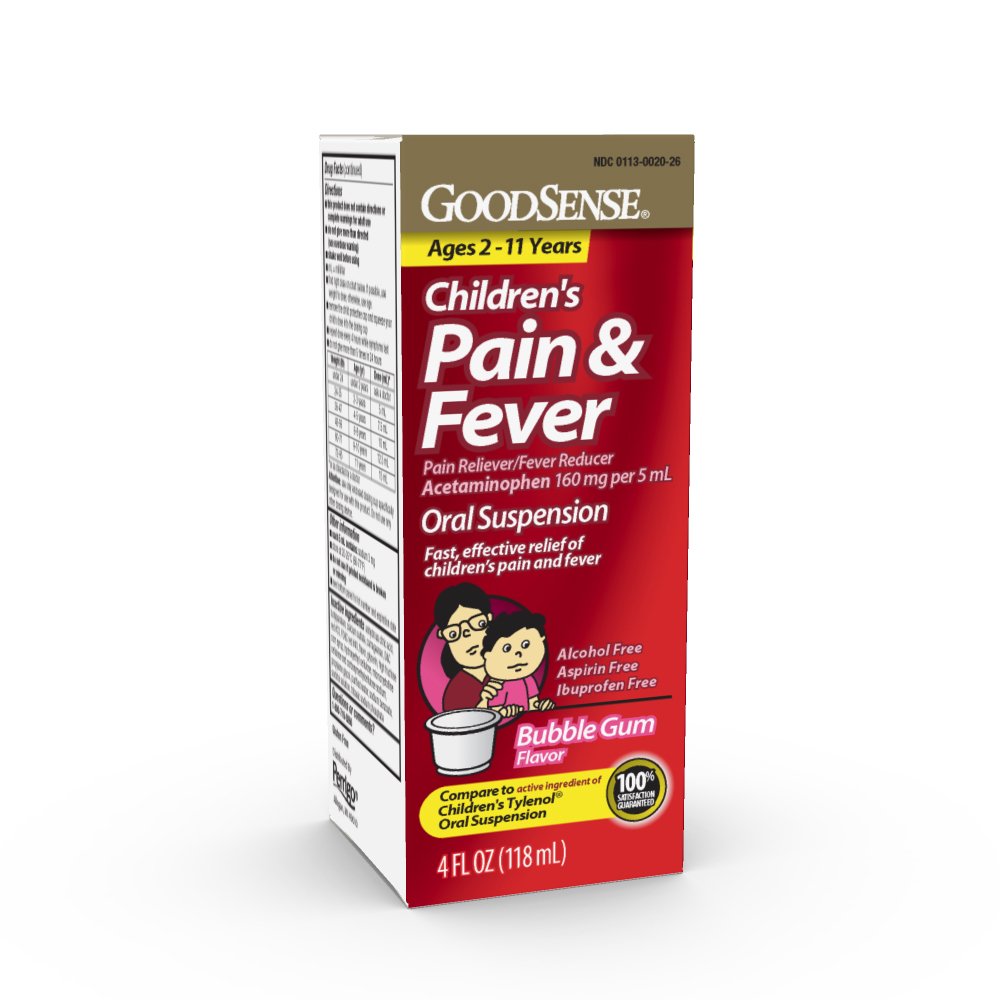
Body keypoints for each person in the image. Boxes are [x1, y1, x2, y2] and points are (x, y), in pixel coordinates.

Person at [436, 583, 499, 712]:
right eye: (453, 633)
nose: (467, 635)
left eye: (478, 623)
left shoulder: (509, 670)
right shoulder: (456, 693)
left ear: (489, 619)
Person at [480, 611, 555, 716]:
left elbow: (532, 704)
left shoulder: (528, 680)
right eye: (507, 648)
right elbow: (495, 712)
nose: (518, 654)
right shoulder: (498, 685)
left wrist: (541, 705)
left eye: (526, 645)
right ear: (488, 655)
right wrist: (505, 712)